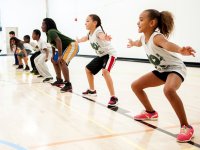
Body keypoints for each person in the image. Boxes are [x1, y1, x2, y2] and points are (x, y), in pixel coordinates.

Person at [127, 9, 196, 142]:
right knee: (136, 86)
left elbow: (167, 44)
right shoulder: (143, 37)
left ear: (152, 23)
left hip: (175, 68)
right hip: (161, 70)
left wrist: (180, 50)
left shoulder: (157, 37)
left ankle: (186, 126)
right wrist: (132, 44)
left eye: (141, 20)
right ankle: (150, 113)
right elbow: (138, 42)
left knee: (169, 90)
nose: (138, 22)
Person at [77, 14, 118, 107]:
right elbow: (85, 38)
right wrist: (79, 40)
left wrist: (105, 37)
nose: (85, 23)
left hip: (109, 54)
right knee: (88, 69)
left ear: (95, 23)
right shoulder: (90, 33)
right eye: (85, 21)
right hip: (101, 55)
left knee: (105, 71)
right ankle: (92, 91)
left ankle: (113, 97)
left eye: (87, 21)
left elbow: (101, 35)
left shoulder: (98, 30)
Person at [42, 18, 79, 92]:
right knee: (54, 61)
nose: (41, 26)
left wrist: (59, 55)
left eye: (43, 24)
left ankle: (68, 85)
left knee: (62, 61)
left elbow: (58, 41)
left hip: (72, 45)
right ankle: (59, 80)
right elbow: (53, 44)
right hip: (64, 48)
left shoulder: (51, 31)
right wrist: (53, 55)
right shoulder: (48, 34)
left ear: (48, 25)